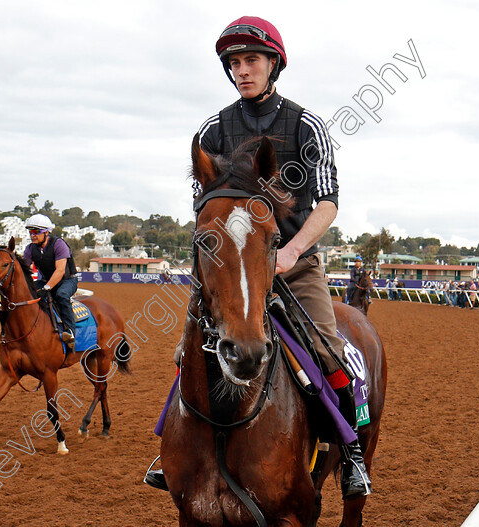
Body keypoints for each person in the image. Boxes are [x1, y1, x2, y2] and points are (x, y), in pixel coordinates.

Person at [145, 16, 372, 499]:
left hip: (294, 263)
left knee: (329, 353)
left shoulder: (307, 126)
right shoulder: (213, 129)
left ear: (274, 64)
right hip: (232, 264)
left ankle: (350, 451)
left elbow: (328, 199)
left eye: (251, 60)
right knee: (189, 352)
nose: (241, 69)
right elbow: (205, 204)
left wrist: (290, 249)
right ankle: (171, 451)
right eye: (234, 62)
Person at [22, 214, 78, 346]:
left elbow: (60, 271)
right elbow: (24, 269)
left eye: (36, 232)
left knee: (61, 295)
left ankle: (70, 332)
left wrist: (47, 288)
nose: (32, 235)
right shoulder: (30, 249)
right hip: (47, 280)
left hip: (67, 281)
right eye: (31, 232)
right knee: (29, 292)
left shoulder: (59, 245)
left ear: (46, 232)